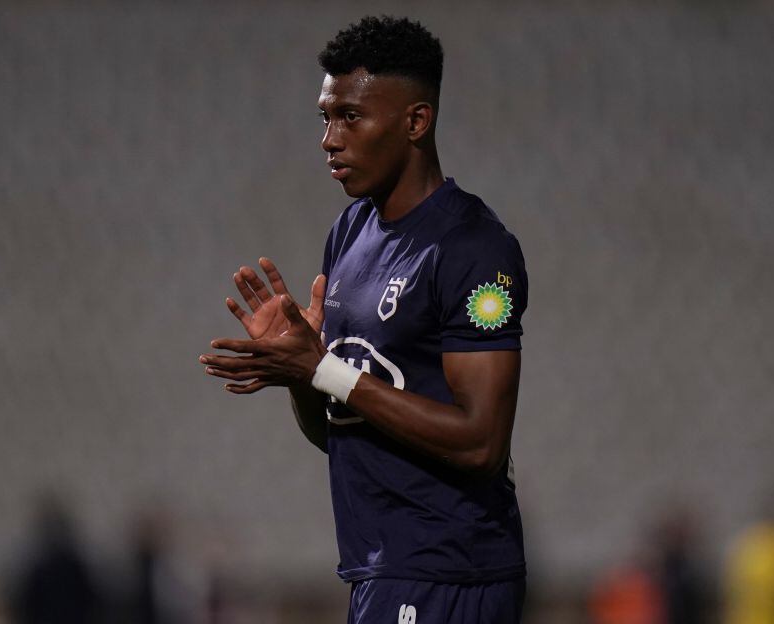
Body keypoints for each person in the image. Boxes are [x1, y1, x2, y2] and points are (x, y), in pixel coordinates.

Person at [199, 15, 529, 623]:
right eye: (325, 117)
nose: (329, 138)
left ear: (415, 122)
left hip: (451, 574)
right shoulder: (350, 233)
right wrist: (300, 371)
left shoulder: (473, 249)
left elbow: (482, 442)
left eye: (350, 116)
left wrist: (323, 367)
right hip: (378, 570)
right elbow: (338, 430)